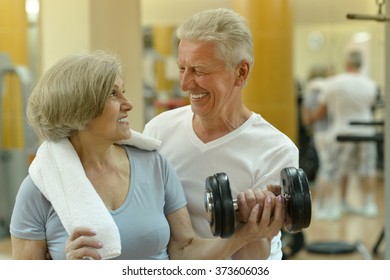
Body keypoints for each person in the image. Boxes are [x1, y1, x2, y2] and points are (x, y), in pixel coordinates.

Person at [9, 51, 283, 260]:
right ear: (80, 110)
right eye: (114, 95)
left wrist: (246, 234)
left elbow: (184, 249)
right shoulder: (38, 190)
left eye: (123, 91)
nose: (128, 104)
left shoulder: (154, 165)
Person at [143, 8, 299, 260]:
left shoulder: (276, 149)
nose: (185, 84)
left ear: (241, 72)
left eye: (200, 70)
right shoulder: (158, 131)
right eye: (182, 68)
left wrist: (249, 224)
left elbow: (253, 259)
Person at [307, 50, 378, 219]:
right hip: (366, 131)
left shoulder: (334, 83)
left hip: (341, 131)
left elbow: (321, 110)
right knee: (367, 168)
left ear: (346, 64)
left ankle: (326, 206)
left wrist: (309, 118)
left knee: (330, 169)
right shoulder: (370, 84)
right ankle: (368, 204)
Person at [300, 64, 335, 220]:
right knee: (327, 170)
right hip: (328, 132)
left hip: (318, 133)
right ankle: (323, 205)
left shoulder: (309, 91)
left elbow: (306, 118)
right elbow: (319, 113)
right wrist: (316, 116)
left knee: (325, 168)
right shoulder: (325, 89)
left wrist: (312, 120)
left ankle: (322, 204)